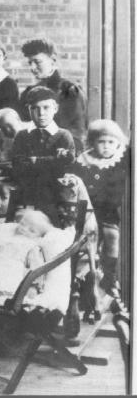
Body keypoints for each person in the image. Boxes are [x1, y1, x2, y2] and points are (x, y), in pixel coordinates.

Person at [68, 119, 130, 297]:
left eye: (111, 142)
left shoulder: (121, 159)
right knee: (85, 241)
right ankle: (82, 278)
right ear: (92, 142)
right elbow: (74, 180)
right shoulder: (83, 160)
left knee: (112, 236)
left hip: (110, 211)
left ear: (118, 142)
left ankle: (109, 277)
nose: (106, 147)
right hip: (87, 210)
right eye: (101, 142)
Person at [11, 86, 75, 222]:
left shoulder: (63, 135)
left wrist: (35, 161)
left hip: (56, 194)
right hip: (27, 192)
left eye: (46, 107)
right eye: (35, 108)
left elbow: (65, 165)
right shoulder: (22, 136)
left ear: (55, 109)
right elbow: (18, 165)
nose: (41, 113)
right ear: (28, 109)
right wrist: (50, 161)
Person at [19, 38, 87, 151]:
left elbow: (75, 134)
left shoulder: (69, 91)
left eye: (37, 62)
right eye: (30, 63)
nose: (32, 68)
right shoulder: (28, 92)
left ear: (53, 60)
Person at [0, 108, 28, 180]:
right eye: (3, 127)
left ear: (19, 120)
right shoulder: (0, 133)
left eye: (10, 125)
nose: (7, 130)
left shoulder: (32, 130)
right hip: (9, 172)